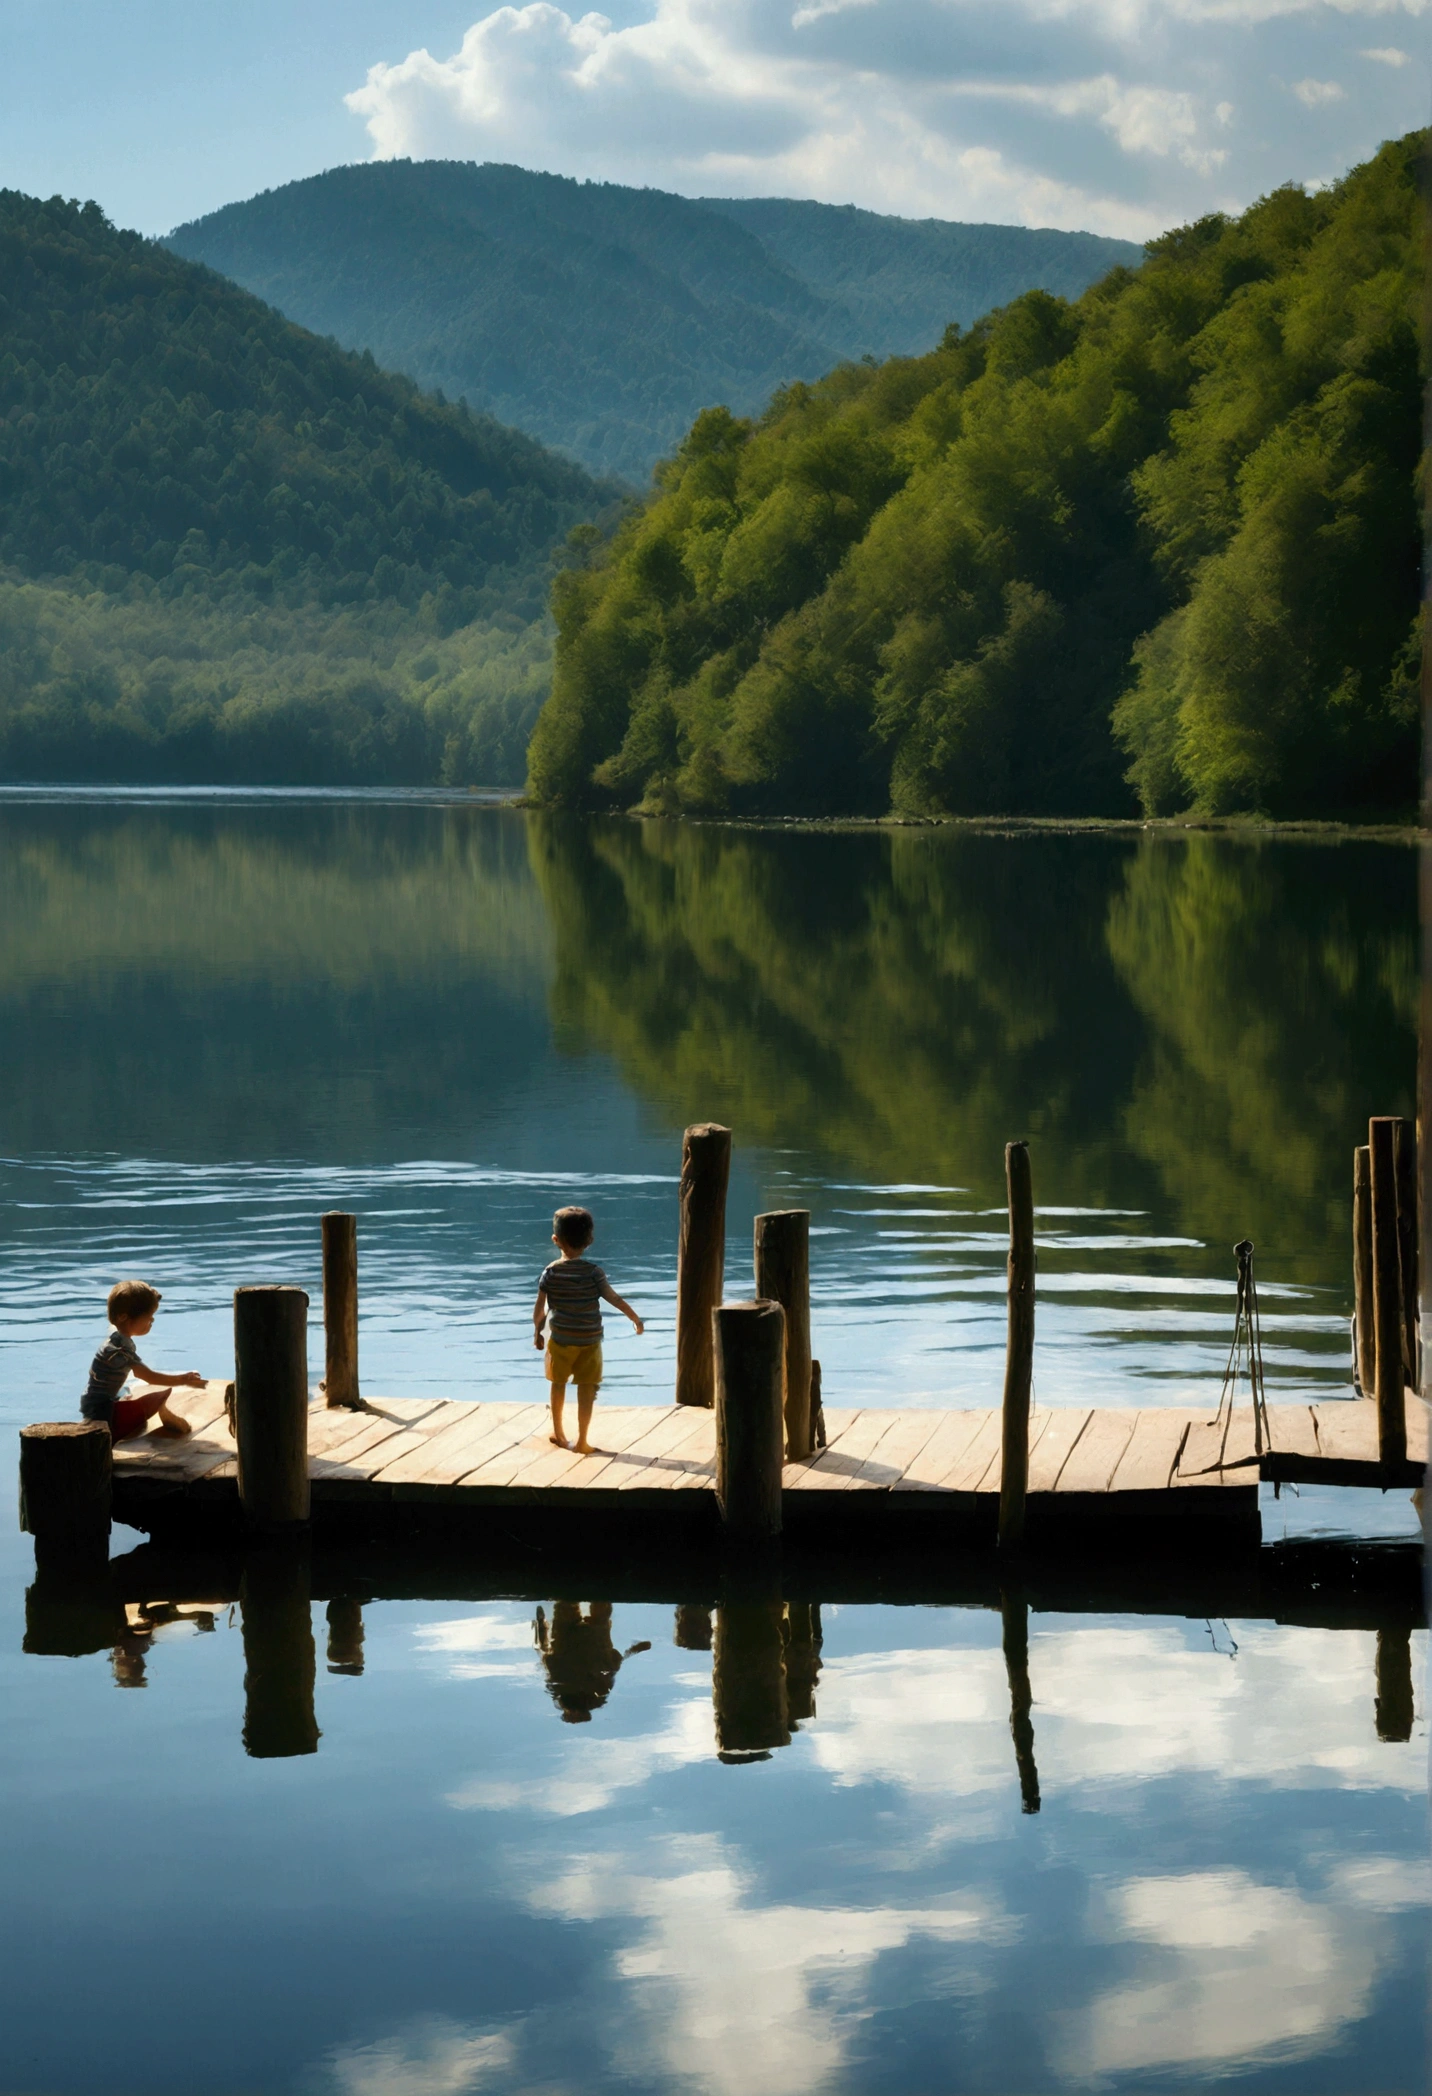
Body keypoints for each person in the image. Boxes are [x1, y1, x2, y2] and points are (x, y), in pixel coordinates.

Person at [533, 1205, 643, 1454]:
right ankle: (582, 1441)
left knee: (557, 1382)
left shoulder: (550, 1273)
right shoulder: (594, 1273)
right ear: (590, 1240)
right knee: (587, 1387)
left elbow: (540, 1309)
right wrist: (634, 1318)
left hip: (560, 1340)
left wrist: (537, 1333)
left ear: (556, 1240)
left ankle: (559, 1434)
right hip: (590, 1341)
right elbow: (614, 1298)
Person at [82, 1280, 204, 1441]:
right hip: (102, 1413)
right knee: (160, 1396)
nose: (151, 1321)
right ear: (123, 1317)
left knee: (130, 1393)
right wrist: (183, 1380)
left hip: (95, 1404)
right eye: (149, 1317)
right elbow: (148, 1376)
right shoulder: (119, 1351)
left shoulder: (116, 1342)